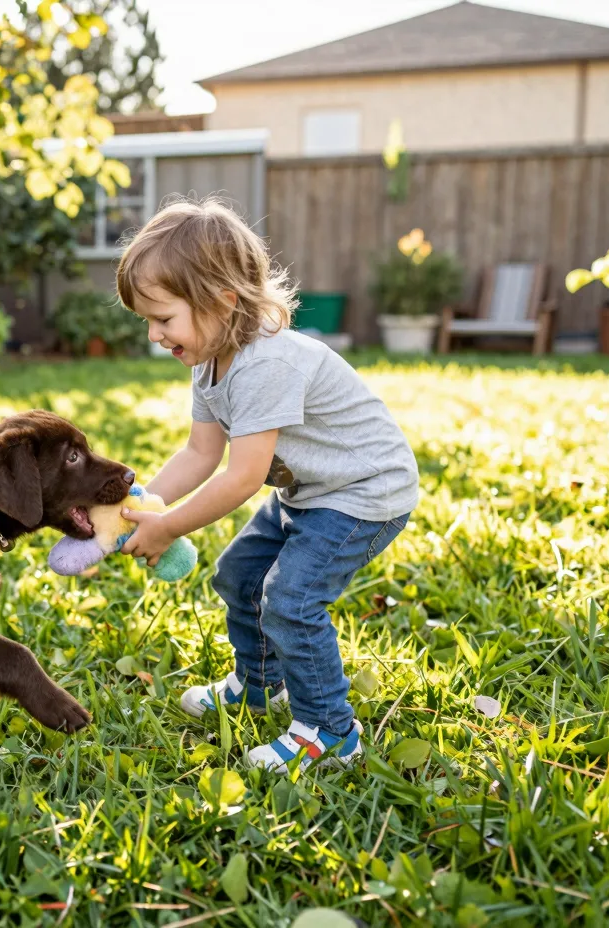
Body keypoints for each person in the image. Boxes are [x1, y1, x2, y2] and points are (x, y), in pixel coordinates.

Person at [117, 198, 418, 773]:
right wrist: (142, 505)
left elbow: (242, 475)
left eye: (163, 319)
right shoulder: (209, 360)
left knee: (291, 597)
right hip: (309, 492)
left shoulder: (266, 362)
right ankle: (259, 686)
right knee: (239, 575)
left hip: (363, 493)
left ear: (222, 301)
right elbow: (200, 452)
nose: (155, 335)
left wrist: (169, 528)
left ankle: (330, 731)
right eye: (147, 321)